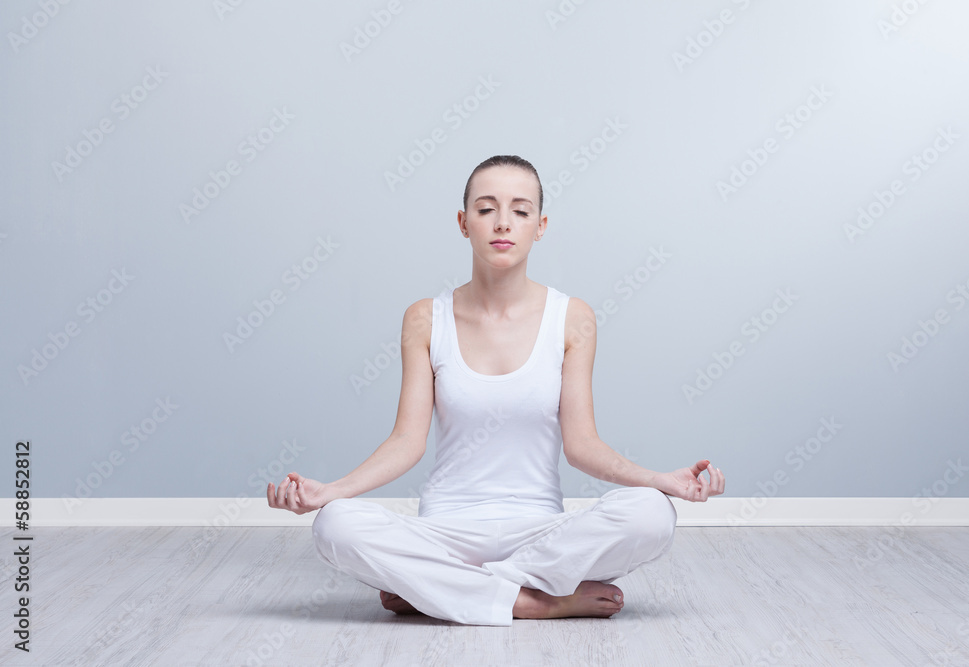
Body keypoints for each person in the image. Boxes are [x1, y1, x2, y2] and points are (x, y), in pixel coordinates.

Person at [267, 155, 725, 626]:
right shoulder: (426, 318)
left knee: (651, 514)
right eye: (486, 209)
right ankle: (535, 601)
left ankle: (441, 589)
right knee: (336, 526)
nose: (503, 222)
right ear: (464, 223)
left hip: (541, 534)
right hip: (448, 528)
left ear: (540, 226)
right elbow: (406, 441)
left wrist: (659, 481)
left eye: (521, 211)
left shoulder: (573, 318)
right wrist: (332, 491)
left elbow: (583, 446)